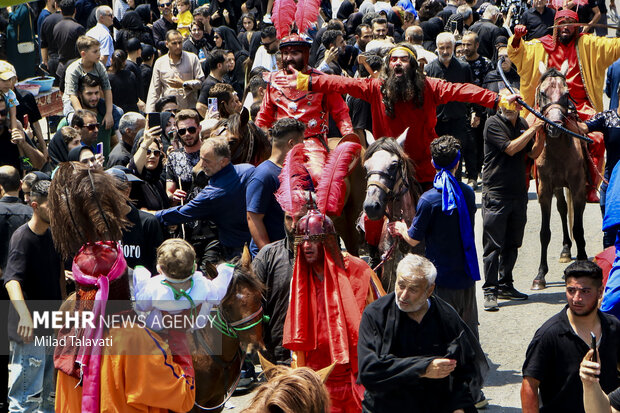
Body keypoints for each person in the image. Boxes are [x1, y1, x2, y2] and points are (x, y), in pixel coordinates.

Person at [276, 42, 516, 188]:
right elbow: (341, 83)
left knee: (447, 212)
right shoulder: (374, 87)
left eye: (403, 59)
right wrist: (308, 81)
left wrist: (497, 99)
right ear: (388, 66)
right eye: (393, 60)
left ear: (412, 65)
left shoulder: (430, 86)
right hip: (387, 169)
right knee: (371, 220)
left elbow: (463, 91)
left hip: (424, 168)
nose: (398, 63)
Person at [509, 9, 620, 203]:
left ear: (576, 27)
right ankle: (524, 180)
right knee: (523, 132)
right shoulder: (540, 45)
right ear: (555, 26)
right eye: (561, 22)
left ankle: (591, 186)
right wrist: (517, 38)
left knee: (598, 138)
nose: (565, 27)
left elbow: (613, 46)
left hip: (581, 105)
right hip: (544, 106)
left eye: (570, 22)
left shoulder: (588, 44)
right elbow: (518, 54)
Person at [357, 254, 487, 413]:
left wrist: (458, 406)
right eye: (401, 285)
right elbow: (369, 371)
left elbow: (461, 372)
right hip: (387, 406)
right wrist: (423, 368)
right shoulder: (376, 314)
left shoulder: (446, 317)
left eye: (413, 289)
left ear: (429, 290)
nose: (403, 295)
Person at [391, 135, 480, 337]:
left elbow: (413, 239)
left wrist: (401, 227)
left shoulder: (428, 200)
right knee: (468, 329)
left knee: (444, 331)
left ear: (432, 163)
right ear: (458, 163)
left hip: (440, 280)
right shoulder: (467, 193)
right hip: (466, 273)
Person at [521, 260, 620, 413]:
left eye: (585, 291)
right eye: (571, 290)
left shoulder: (614, 327)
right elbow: (529, 385)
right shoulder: (549, 334)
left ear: (600, 292)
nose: (576, 298)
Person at [481, 89, 545, 311]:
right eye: (508, 100)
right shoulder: (493, 123)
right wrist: (533, 129)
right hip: (496, 193)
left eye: (516, 100)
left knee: (513, 242)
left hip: (518, 193)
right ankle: (490, 289)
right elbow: (510, 148)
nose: (512, 104)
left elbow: (533, 153)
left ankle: (505, 283)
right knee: (493, 246)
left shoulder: (524, 124)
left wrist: (542, 134)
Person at [4, 179, 63, 413]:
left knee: (49, 399)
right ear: (35, 205)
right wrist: (25, 317)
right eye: (52, 205)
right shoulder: (22, 237)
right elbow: (11, 281)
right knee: (25, 399)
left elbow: (58, 274)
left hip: (51, 325)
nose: (56, 211)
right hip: (29, 330)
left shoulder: (53, 235)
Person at [156, 137, 255, 260]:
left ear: (223, 161)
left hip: (235, 253)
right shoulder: (249, 170)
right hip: (256, 244)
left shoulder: (213, 193)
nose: (202, 165)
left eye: (207, 161)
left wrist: (151, 216)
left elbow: (182, 213)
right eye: (201, 158)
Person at [255, 33, 353, 145]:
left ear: (305, 54)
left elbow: (340, 113)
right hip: (280, 144)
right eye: (285, 53)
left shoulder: (321, 80)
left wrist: (349, 138)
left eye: (295, 53)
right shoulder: (274, 81)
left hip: (313, 143)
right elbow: (263, 116)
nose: (289, 58)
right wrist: (258, 139)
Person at [133, 238, 233, 332]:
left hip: (160, 331)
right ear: (195, 266)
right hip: (194, 327)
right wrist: (225, 270)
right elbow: (218, 294)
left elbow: (142, 306)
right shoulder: (203, 284)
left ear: (159, 269)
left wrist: (140, 275)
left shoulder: (154, 287)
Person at [246, 118, 305, 256]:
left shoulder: (300, 170)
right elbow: (254, 219)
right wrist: (271, 255)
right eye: (302, 142)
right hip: (275, 260)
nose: (304, 147)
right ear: (292, 144)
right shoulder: (263, 175)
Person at [425, 32, 476, 183]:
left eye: (448, 47)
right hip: (437, 121)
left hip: (458, 119)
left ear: (454, 48)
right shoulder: (430, 69)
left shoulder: (463, 67)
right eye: (442, 48)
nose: (445, 51)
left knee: (456, 156)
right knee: (437, 155)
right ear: (437, 48)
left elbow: (471, 91)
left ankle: (457, 188)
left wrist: (474, 112)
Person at [105, 167, 164, 274]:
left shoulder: (147, 222)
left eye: (114, 191)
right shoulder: (98, 223)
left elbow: (157, 265)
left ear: (127, 191)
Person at [62, 35, 113, 130]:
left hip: (93, 98)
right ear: (83, 54)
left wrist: (109, 113)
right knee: (73, 119)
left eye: (99, 50)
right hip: (73, 101)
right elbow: (72, 96)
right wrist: (82, 117)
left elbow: (107, 89)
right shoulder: (73, 70)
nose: (99, 54)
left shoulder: (99, 66)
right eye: (95, 51)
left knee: (117, 111)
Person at [146, 30, 204, 112]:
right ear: (167, 44)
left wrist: (184, 84)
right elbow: (154, 91)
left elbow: (201, 82)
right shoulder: (160, 63)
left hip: (188, 110)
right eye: (174, 43)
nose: (178, 46)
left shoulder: (192, 58)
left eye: (180, 43)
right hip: (168, 111)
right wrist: (150, 114)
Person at [165, 109, 202, 205]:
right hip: (186, 214)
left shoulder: (212, 152)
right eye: (182, 131)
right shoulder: (173, 157)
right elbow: (169, 191)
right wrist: (173, 196)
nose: (187, 134)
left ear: (199, 128)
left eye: (191, 130)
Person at [130, 126, 170, 210]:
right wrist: (145, 144)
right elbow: (133, 169)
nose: (152, 156)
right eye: (147, 152)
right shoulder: (135, 181)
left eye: (156, 153)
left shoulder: (158, 181)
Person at [52, 0, 86, 80]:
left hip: (60, 68)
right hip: (75, 68)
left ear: (61, 11)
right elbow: (84, 48)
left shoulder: (56, 27)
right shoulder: (78, 28)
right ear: (75, 10)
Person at [6, 3, 37, 80]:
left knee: (22, 71)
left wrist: (9, 12)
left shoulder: (23, 6)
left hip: (21, 47)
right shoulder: (20, 6)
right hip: (18, 47)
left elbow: (15, 19)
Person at [196, 49, 227, 117]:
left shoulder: (223, 81)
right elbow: (200, 106)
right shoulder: (209, 85)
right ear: (219, 65)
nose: (229, 64)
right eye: (226, 62)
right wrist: (213, 119)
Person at [108, 49, 141, 113]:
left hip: (116, 112)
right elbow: (136, 97)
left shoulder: (108, 77)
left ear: (111, 61)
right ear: (125, 62)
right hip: (132, 111)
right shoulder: (131, 75)